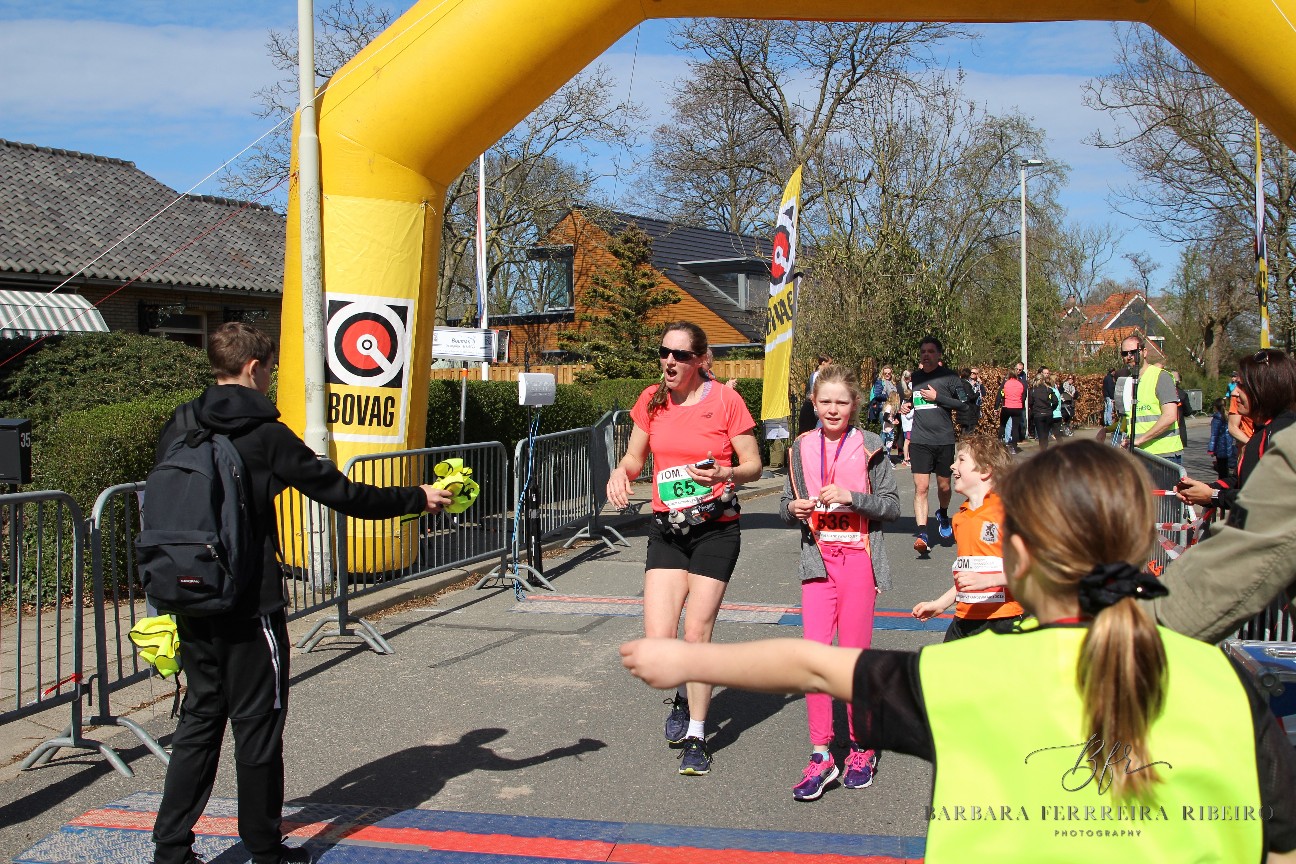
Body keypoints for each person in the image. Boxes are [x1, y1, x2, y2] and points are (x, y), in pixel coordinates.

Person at [622, 440, 1296, 862]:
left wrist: (687, 661)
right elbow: (1280, 845)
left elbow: (812, 664)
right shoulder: (1227, 685)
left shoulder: (967, 676)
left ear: (1018, 558)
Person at [151, 323, 452, 864]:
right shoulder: (266, 433)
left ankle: (170, 850)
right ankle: (265, 850)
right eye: (269, 369)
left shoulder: (182, 421)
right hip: (249, 604)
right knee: (257, 729)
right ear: (253, 368)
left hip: (191, 594)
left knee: (199, 721)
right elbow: (343, 493)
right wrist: (416, 497)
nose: (269, 378)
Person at [605, 320, 762, 776]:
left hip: (716, 529)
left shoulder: (726, 401)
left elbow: (753, 464)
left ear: (700, 360)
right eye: (664, 352)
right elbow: (635, 457)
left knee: (696, 634)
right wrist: (620, 473)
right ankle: (681, 693)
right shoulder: (652, 400)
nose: (669, 361)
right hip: (668, 530)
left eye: (680, 355)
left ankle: (697, 735)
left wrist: (727, 474)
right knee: (660, 642)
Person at [779, 364, 899, 800]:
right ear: (814, 404)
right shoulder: (800, 447)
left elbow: (891, 506)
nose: (833, 409)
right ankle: (821, 754)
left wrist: (853, 498)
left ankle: (861, 748)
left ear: (854, 405)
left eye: (841, 402)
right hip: (818, 563)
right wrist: (790, 509)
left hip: (858, 563)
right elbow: (785, 501)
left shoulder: (870, 445)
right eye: (825, 401)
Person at [912, 434, 1023, 640]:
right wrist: (941, 604)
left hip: (1003, 619)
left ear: (985, 470)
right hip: (965, 618)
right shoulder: (960, 519)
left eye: (961, 459)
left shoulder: (1008, 513)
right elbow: (968, 576)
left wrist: (991, 579)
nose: (952, 466)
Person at [1174, 349, 1296, 514]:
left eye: (1242, 386)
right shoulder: (1264, 431)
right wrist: (1203, 490)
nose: (1234, 393)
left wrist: (1213, 496)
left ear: (1266, 388)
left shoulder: (1283, 434)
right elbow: (1242, 482)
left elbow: (1270, 498)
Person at [908, 337, 969, 554]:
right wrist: (907, 406)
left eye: (931, 351)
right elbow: (915, 400)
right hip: (919, 440)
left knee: (944, 487)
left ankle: (943, 513)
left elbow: (964, 404)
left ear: (939, 355)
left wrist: (938, 397)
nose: (926, 355)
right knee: (921, 488)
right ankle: (922, 534)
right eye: (923, 351)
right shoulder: (915, 377)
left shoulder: (950, 377)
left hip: (943, 439)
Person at [1115, 334, 1182, 462]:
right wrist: (1126, 439)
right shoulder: (1129, 382)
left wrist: (1140, 440)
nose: (1129, 356)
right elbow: (1132, 419)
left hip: (1164, 455)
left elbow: (1170, 416)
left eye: (1134, 352)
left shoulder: (1161, 377)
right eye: (1125, 353)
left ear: (1144, 352)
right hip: (1139, 454)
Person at [798, 354, 833, 435]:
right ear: (823, 363)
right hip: (811, 411)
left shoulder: (820, 375)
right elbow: (816, 393)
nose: (831, 366)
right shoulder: (818, 376)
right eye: (830, 363)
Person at [1206, 397, 1237, 482]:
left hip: (1220, 448)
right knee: (1225, 468)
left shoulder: (1216, 419)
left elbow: (1214, 435)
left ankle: (1223, 485)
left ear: (1215, 407)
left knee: (1221, 470)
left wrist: (1211, 449)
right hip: (1228, 446)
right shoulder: (1228, 417)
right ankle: (1226, 483)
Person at [995, 370, 1025, 455]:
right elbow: (1023, 396)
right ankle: (1014, 447)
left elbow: (1000, 395)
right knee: (1015, 428)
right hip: (1017, 407)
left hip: (1007, 406)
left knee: (1003, 425)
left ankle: (999, 443)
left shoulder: (1006, 383)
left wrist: (996, 407)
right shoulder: (1020, 384)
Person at [1027, 370, 1058, 449]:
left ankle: (1043, 449)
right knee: (1046, 434)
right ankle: (1045, 448)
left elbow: (1030, 403)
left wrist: (1033, 410)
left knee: (1041, 435)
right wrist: (1051, 409)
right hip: (1048, 414)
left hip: (1038, 414)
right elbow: (1055, 401)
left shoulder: (1032, 391)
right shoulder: (1048, 390)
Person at [1228, 368, 1254, 448]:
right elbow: (1233, 427)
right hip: (1248, 448)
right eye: (1237, 384)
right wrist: (1253, 444)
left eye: (1241, 385)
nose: (1233, 392)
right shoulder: (1236, 396)